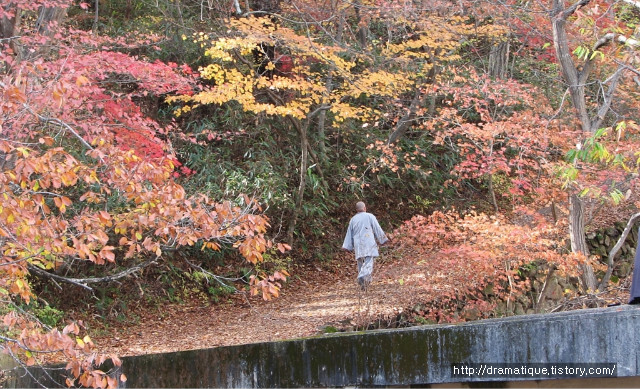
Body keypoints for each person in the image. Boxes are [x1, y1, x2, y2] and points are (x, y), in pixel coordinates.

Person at [342, 201, 389, 290]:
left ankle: (364, 285)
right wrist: (383, 239)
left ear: (356, 210)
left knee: (360, 262)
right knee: (368, 261)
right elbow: (377, 228)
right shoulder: (370, 216)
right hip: (368, 242)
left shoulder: (353, 219)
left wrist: (347, 246)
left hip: (358, 243)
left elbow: (349, 233)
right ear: (365, 208)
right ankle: (362, 277)